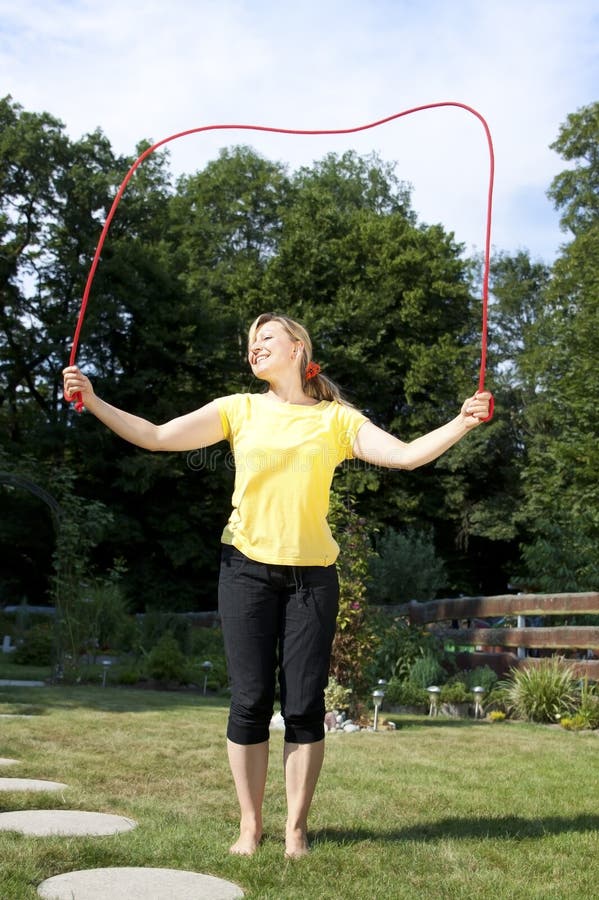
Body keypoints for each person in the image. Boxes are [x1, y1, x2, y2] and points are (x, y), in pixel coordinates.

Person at [63, 312, 491, 859]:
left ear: (297, 348)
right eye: (249, 343)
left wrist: (462, 421)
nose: (254, 348)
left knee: (305, 707)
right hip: (245, 570)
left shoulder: (336, 420)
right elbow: (154, 437)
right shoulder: (237, 409)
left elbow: (406, 456)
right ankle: (249, 826)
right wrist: (93, 400)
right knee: (248, 702)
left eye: (265, 338)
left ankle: (295, 830)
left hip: (313, 578)